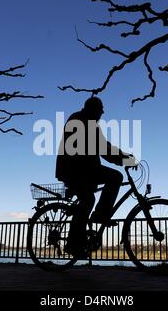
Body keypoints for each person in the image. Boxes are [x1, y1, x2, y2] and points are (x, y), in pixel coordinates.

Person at [55, 97, 134, 257]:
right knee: (95, 194)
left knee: (91, 196)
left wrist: (124, 157)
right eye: (100, 111)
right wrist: (126, 159)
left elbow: (103, 147)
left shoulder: (86, 122)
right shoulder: (80, 121)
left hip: (84, 169)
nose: (101, 115)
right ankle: (76, 242)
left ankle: (94, 221)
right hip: (76, 170)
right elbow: (103, 148)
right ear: (93, 109)